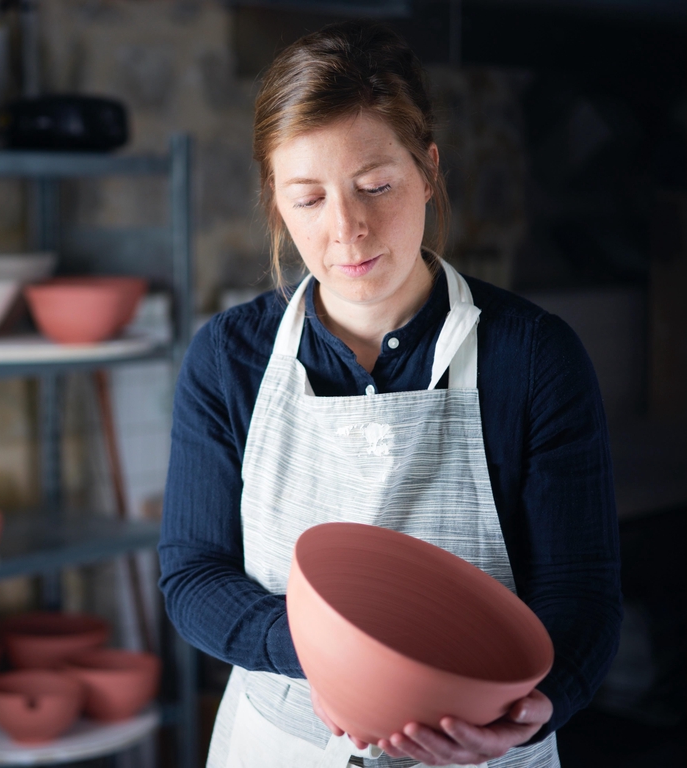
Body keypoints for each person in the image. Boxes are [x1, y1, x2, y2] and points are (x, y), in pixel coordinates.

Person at [158, 20, 622, 768]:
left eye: (376, 186)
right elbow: (193, 577)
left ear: (428, 170)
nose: (349, 229)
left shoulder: (534, 358)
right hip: (282, 745)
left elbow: (583, 593)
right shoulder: (229, 358)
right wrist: (333, 657)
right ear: (276, 204)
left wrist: (542, 705)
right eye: (308, 200)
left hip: (486, 753)